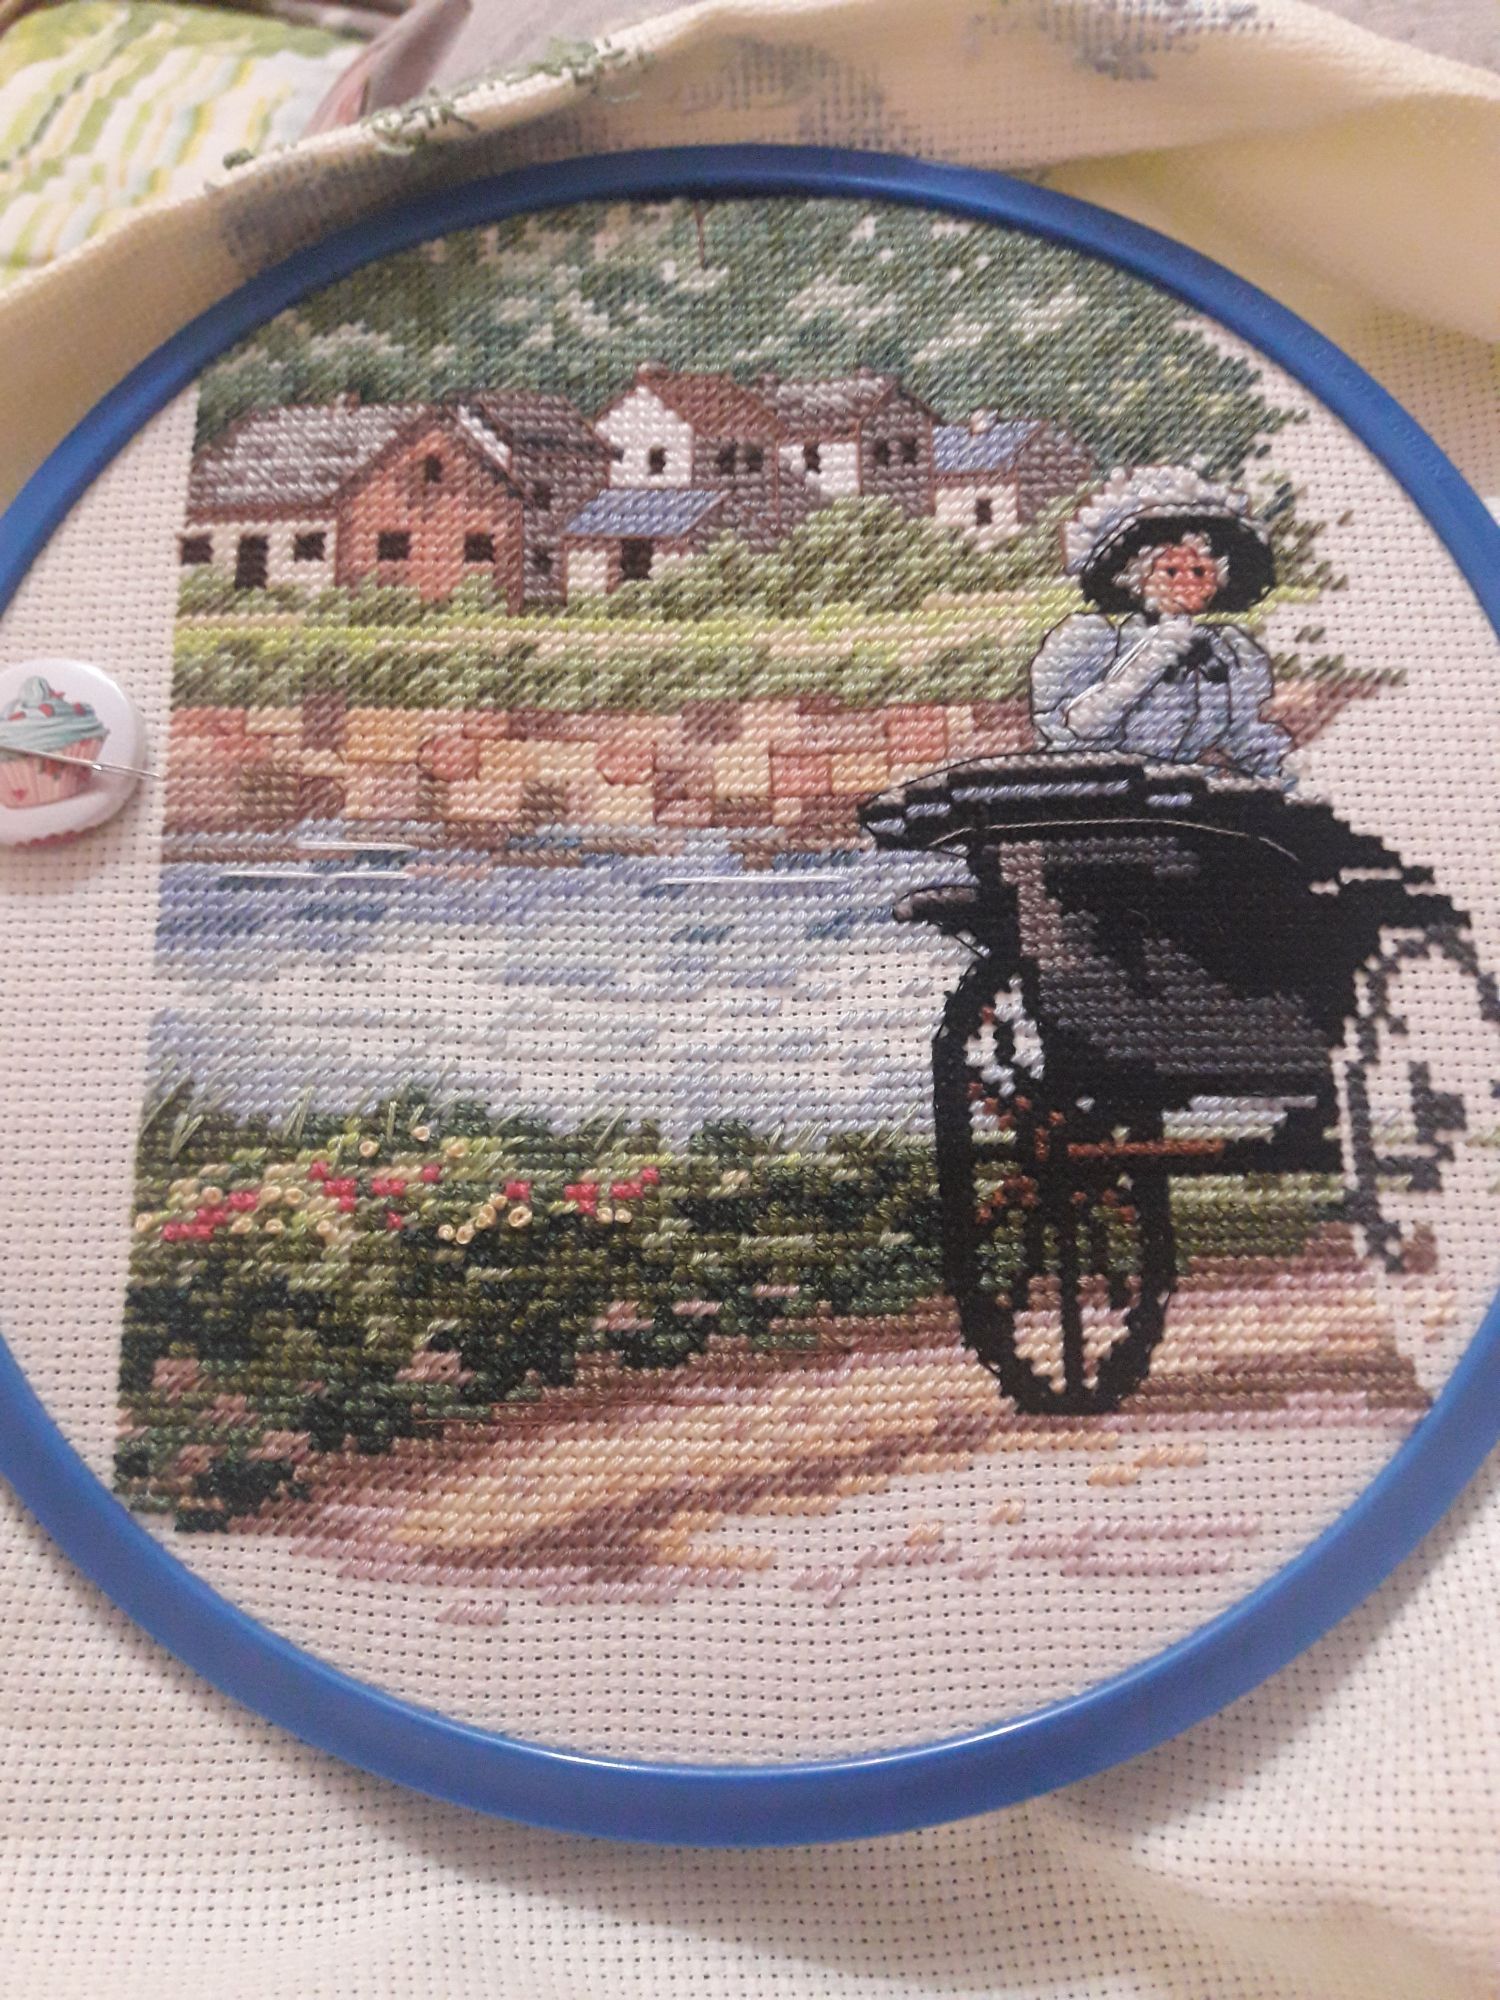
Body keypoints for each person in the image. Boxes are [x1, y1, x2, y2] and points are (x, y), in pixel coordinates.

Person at [1029, 464, 1292, 780]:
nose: (1186, 583)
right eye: (1170, 571)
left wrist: (1289, 773)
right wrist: (1153, 658)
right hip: (1091, 789)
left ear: (1218, 580)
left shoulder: (1228, 651)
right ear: (1134, 577)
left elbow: (1248, 735)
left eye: (1199, 572)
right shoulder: (1094, 641)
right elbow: (1081, 727)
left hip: (1179, 794)